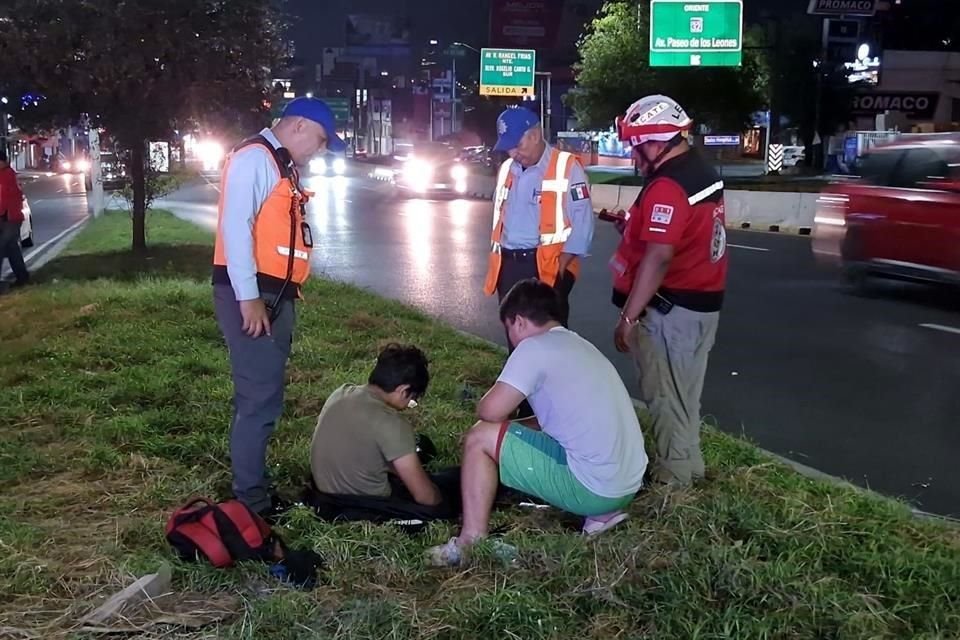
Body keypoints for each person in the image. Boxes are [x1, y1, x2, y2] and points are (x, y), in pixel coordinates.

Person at [428, 279, 648, 567]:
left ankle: (470, 541)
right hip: (627, 485)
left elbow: (490, 412)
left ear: (518, 321)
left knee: (479, 438)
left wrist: (497, 418)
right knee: (522, 433)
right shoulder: (579, 344)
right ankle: (600, 519)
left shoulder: (533, 348)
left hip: (596, 490)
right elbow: (559, 420)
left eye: (508, 328)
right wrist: (518, 429)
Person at [212, 97, 346, 520]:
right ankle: (252, 503)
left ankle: (254, 489)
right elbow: (236, 225)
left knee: (261, 396)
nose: (319, 151)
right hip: (257, 297)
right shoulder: (257, 158)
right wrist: (248, 298)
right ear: (301, 126)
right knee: (258, 400)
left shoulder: (278, 162)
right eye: (321, 141)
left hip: (274, 295)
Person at [607, 95, 728, 487]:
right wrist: (632, 226)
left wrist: (628, 318)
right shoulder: (700, 172)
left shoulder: (668, 185)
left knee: (665, 400)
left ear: (655, 141)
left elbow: (659, 257)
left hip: (670, 311)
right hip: (700, 307)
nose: (634, 154)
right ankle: (691, 470)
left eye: (636, 145)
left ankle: (673, 488)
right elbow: (681, 234)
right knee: (684, 399)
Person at [306, 344, 460, 522]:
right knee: (451, 485)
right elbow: (426, 498)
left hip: (323, 494)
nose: (411, 404)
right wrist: (438, 496)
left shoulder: (341, 392)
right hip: (365, 503)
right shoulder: (391, 423)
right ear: (403, 390)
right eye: (413, 399)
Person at [482, 106, 595, 331]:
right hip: (508, 266)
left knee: (549, 338)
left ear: (534, 136)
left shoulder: (566, 167)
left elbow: (583, 225)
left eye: (517, 145)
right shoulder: (506, 169)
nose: (513, 153)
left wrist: (560, 270)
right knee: (515, 333)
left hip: (546, 267)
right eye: (508, 148)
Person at [0, 150, 29, 288]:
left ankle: (22, 277)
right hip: (10, 217)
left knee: (3, 247)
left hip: (10, 218)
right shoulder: (8, 174)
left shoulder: (7, 176)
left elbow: (4, 199)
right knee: (12, 249)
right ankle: (22, 277)